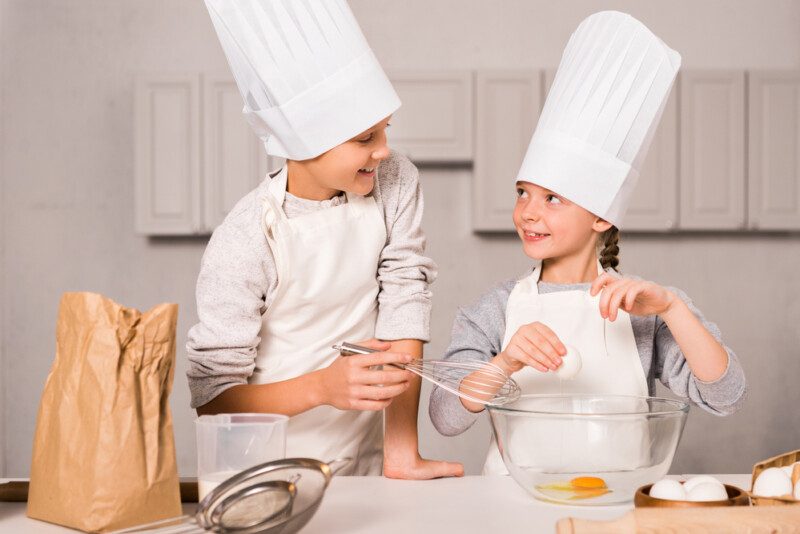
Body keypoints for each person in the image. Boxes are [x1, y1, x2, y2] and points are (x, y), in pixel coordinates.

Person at [428, 11, 746, 475]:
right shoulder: (493, 309)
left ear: (601, 216)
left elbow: (726, 396)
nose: (528, 212)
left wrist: (674, 309)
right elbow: (445, 418)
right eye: (523, 193)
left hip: (616, 503)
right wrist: (506, 360)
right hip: (508, 505)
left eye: (552, 198)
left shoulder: (643, 310)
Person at [188, 0, 462, 479]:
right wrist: (321, 388)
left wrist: (401, 454)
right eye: (364, 138)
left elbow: (405, 303)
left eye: (384, 130)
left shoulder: (394, 181)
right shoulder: (247, 237)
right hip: (264, 474)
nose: (383, 150)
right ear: (301, 141)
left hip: (365, 467)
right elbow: (213, 399)